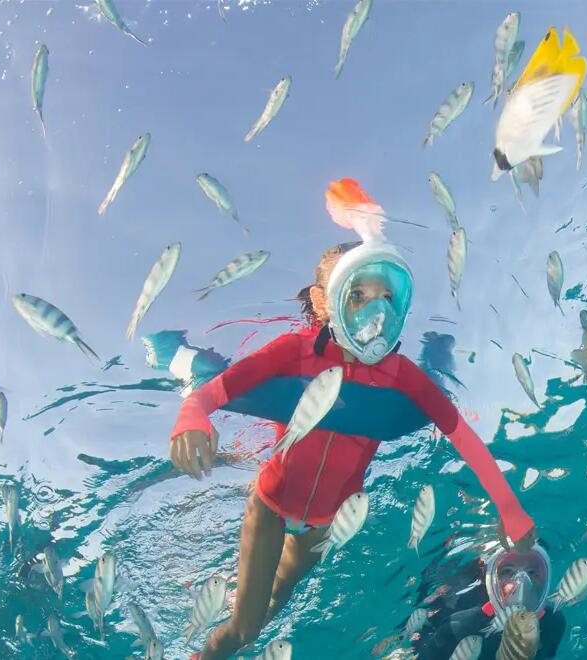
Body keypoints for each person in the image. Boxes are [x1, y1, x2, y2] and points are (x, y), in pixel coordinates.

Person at [167, 179, 537, 660]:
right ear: (325, 303)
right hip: (272, 504)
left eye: (385, 297)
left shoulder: (402, 374)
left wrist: (510, 508)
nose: (374, 312)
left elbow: (460, 433)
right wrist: (190, 415)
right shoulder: (294, 350)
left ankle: (247, 613)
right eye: (357, 296)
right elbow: (216, 391)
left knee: (277, 599)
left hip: (324, 524)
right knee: (245, 630)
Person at [414, 547, 565, 659]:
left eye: (532, 573)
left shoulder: (554, 624)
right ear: (492, 578)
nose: (522, 583)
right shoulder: (459, 623)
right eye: (507, 572)